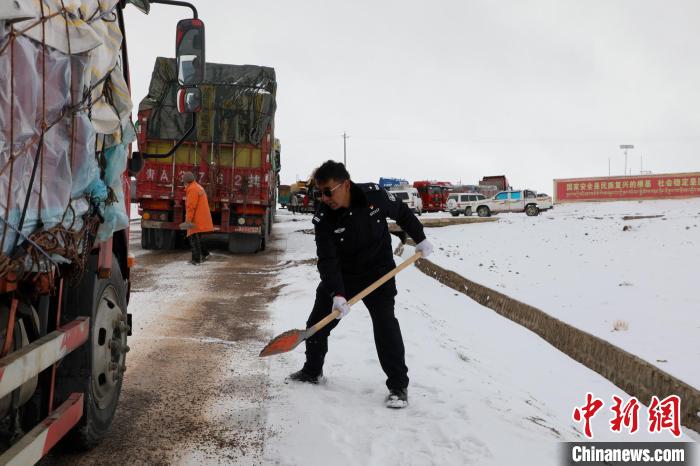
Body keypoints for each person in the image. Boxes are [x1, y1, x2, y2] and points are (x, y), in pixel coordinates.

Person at [286, 160, 434, 409]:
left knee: (385, 324)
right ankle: (312, 371)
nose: (324, 198)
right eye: (320, 193)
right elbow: (327, 259)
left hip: (379, 272)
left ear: (345, 185)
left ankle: (398, 386)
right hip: (344, 275)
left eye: (328, 191)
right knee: (317, 324)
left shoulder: (373, 195)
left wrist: (420, 238)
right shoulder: (323, 217)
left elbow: (402, 212)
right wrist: (337, 293)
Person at [179, 172, 213, 265]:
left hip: (196, 217)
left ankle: (196, 260)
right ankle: (205, 254)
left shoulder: (192, 189)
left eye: (184, 182)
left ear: (186, 182)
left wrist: (188, 221)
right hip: (201, 216)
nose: (183, 184)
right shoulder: (197, 187)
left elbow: (191, 207)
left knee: (193, 237)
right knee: (198, 237)